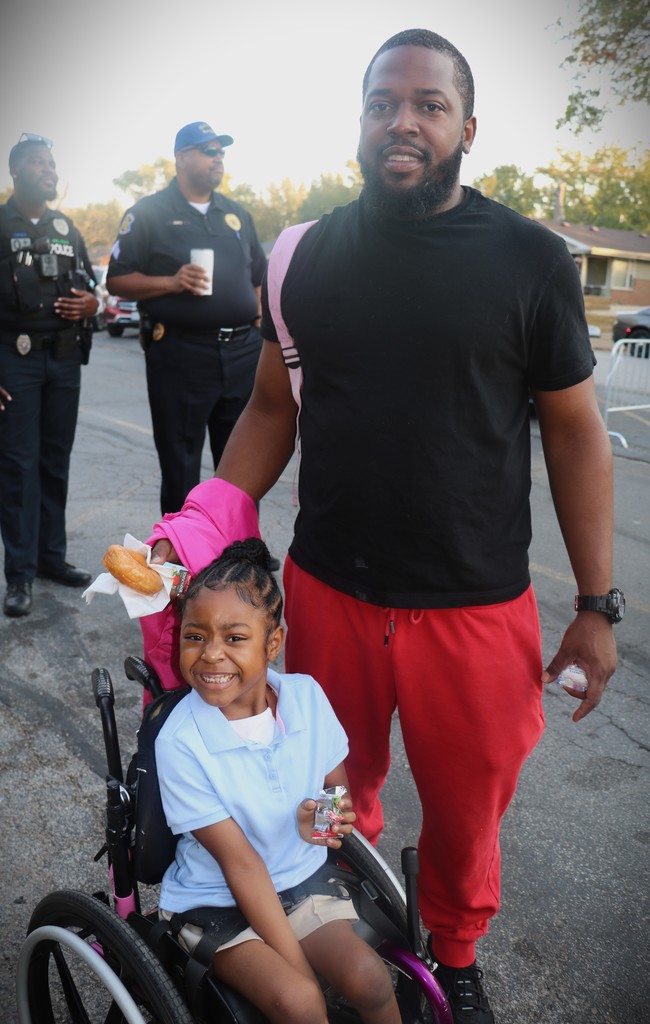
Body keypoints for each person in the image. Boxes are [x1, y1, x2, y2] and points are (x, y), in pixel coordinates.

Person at [151, 30, 621, 1022]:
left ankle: (451, 951)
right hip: (327, 595)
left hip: (474, 608)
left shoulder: (530, 259)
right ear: (359, 118)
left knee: (463, 811)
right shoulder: (305, 256)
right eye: (381, 102)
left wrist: (593, 603)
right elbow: (271, 412)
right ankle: (345, 912)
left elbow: (577, 433)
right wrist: (206, 539)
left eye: (427, 104)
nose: (401, 120)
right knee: (329, 788)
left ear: (466, 127)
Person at [155, 538, 401, 1024]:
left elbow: (336, 796)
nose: (211, 655)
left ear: (273, 643)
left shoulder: (307, 698)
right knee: (300, 1001)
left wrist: (324, 825)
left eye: (234, 638)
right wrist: (300, 970)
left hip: (298, 881)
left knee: (369, 979)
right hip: (215, 900)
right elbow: (241, 867)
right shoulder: (181, 742)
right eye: (195, 636)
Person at [106, 121, 268, 520]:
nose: (218, 158)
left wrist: (260, 323)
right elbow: (116, 280)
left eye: (221, 152)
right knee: (181, 466)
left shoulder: (235, 214)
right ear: (181, 158)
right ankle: (181, 569)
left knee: (242, 468)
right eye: (208, 151)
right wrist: (172, 281)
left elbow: (260, 277)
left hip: (242, 353)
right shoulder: (148, 213)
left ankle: (238, 558)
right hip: (181, 355)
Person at [0, 133, 96, 618]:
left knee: (55, 461)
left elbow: (92, 287)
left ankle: (50, 559)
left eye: (53, 164)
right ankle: (18, 575)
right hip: (13, 359)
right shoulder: (0, 224)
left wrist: (91, 303)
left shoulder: (66, 226)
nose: (50, 171)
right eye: (39, 163)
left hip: (63, 359)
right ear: (16, 171)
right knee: (18, 466)